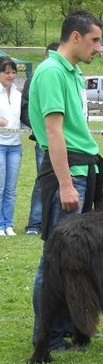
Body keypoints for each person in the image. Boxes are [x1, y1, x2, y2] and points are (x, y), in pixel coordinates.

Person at [29, 10, 103, 351]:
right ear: (75, 37)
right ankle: (47, 336)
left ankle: (67, 328)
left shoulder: (71, 73)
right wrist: (65, 184)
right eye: (94, 40)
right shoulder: (50, 73)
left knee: (74, 258)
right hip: (68, 173)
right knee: (55, 257)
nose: (99, 48)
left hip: (82, 170)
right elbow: (53, 132)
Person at [20, 42, 60, 236]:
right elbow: (25, 108)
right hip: (43, 141)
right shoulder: (36, 76)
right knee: (43, 180)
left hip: (64, 140)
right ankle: (35, 223)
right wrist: (40, 128)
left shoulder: (66, 76)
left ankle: (53, 222)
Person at [0, 58, 22, 237]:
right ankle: (0, 225)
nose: (11, 76)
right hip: (0, 145)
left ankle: (9, 224)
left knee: (11, 188)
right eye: (6, 72)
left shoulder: (17, 93)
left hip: (15, 146)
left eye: (13, 72)